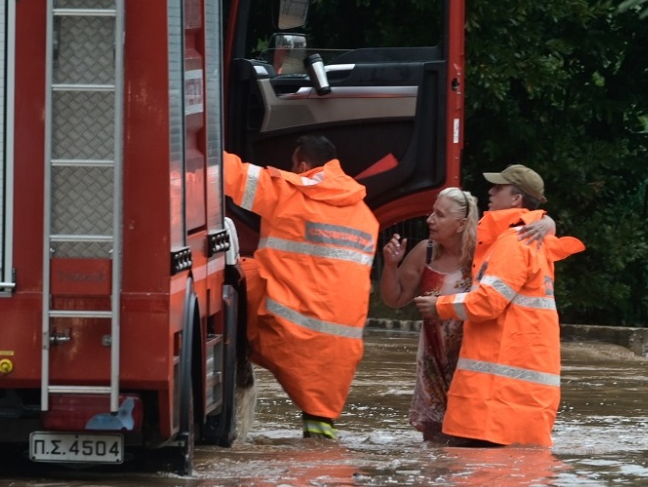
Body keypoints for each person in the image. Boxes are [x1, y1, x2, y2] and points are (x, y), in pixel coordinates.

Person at [414, 164, 584, 447]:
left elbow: (488, 303)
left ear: (516, 199)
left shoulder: (514, 241)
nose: (490, 192)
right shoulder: (531, 239)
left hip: (493, 405)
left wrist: (438, 305)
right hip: (516, 404)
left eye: (498, 188)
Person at [224, 135, 379, 440]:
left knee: (239, 273)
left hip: (288, 327)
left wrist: (192, 145)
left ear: (303, 165)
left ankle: (239, 362)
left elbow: (232, 174)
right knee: (319, 421)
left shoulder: (289, 192)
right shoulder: (365, 216)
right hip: (341, 345)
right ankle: (319, 439)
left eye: (294, 165)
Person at [381, 187, 555, 442]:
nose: (429, 220)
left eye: (439, 215)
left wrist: (546, 222)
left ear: (462, 224)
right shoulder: (425, 252)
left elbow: (528, 228)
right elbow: (394, 299)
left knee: (466, 431)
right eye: (432, 213)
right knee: (435, 434)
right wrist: (390, 265)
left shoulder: (485, 252)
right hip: (433, 355)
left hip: (472, 357)